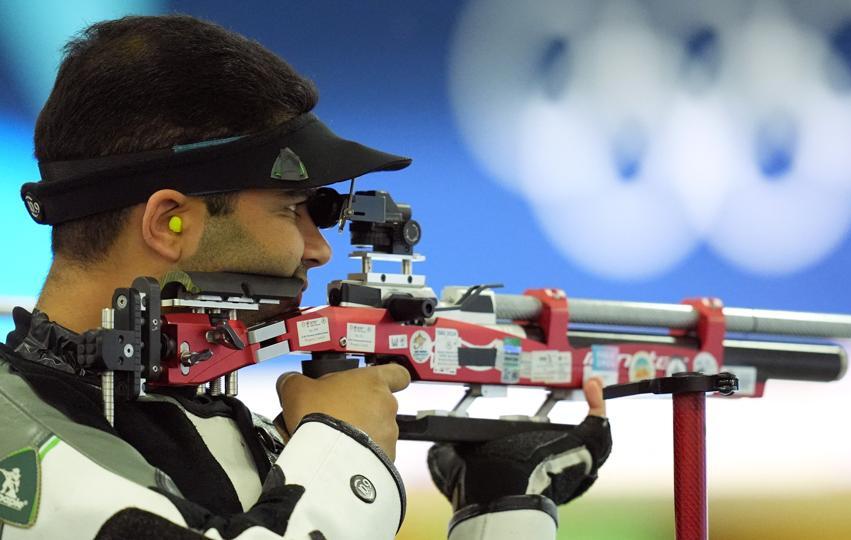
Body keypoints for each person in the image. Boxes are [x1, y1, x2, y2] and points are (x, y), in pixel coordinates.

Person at [0, 14, 611, 539]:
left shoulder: (234, 429)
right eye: (293, 207)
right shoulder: (16, 439)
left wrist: (501, 509)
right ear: (170, 223)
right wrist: (342, 448)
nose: (319, 250)